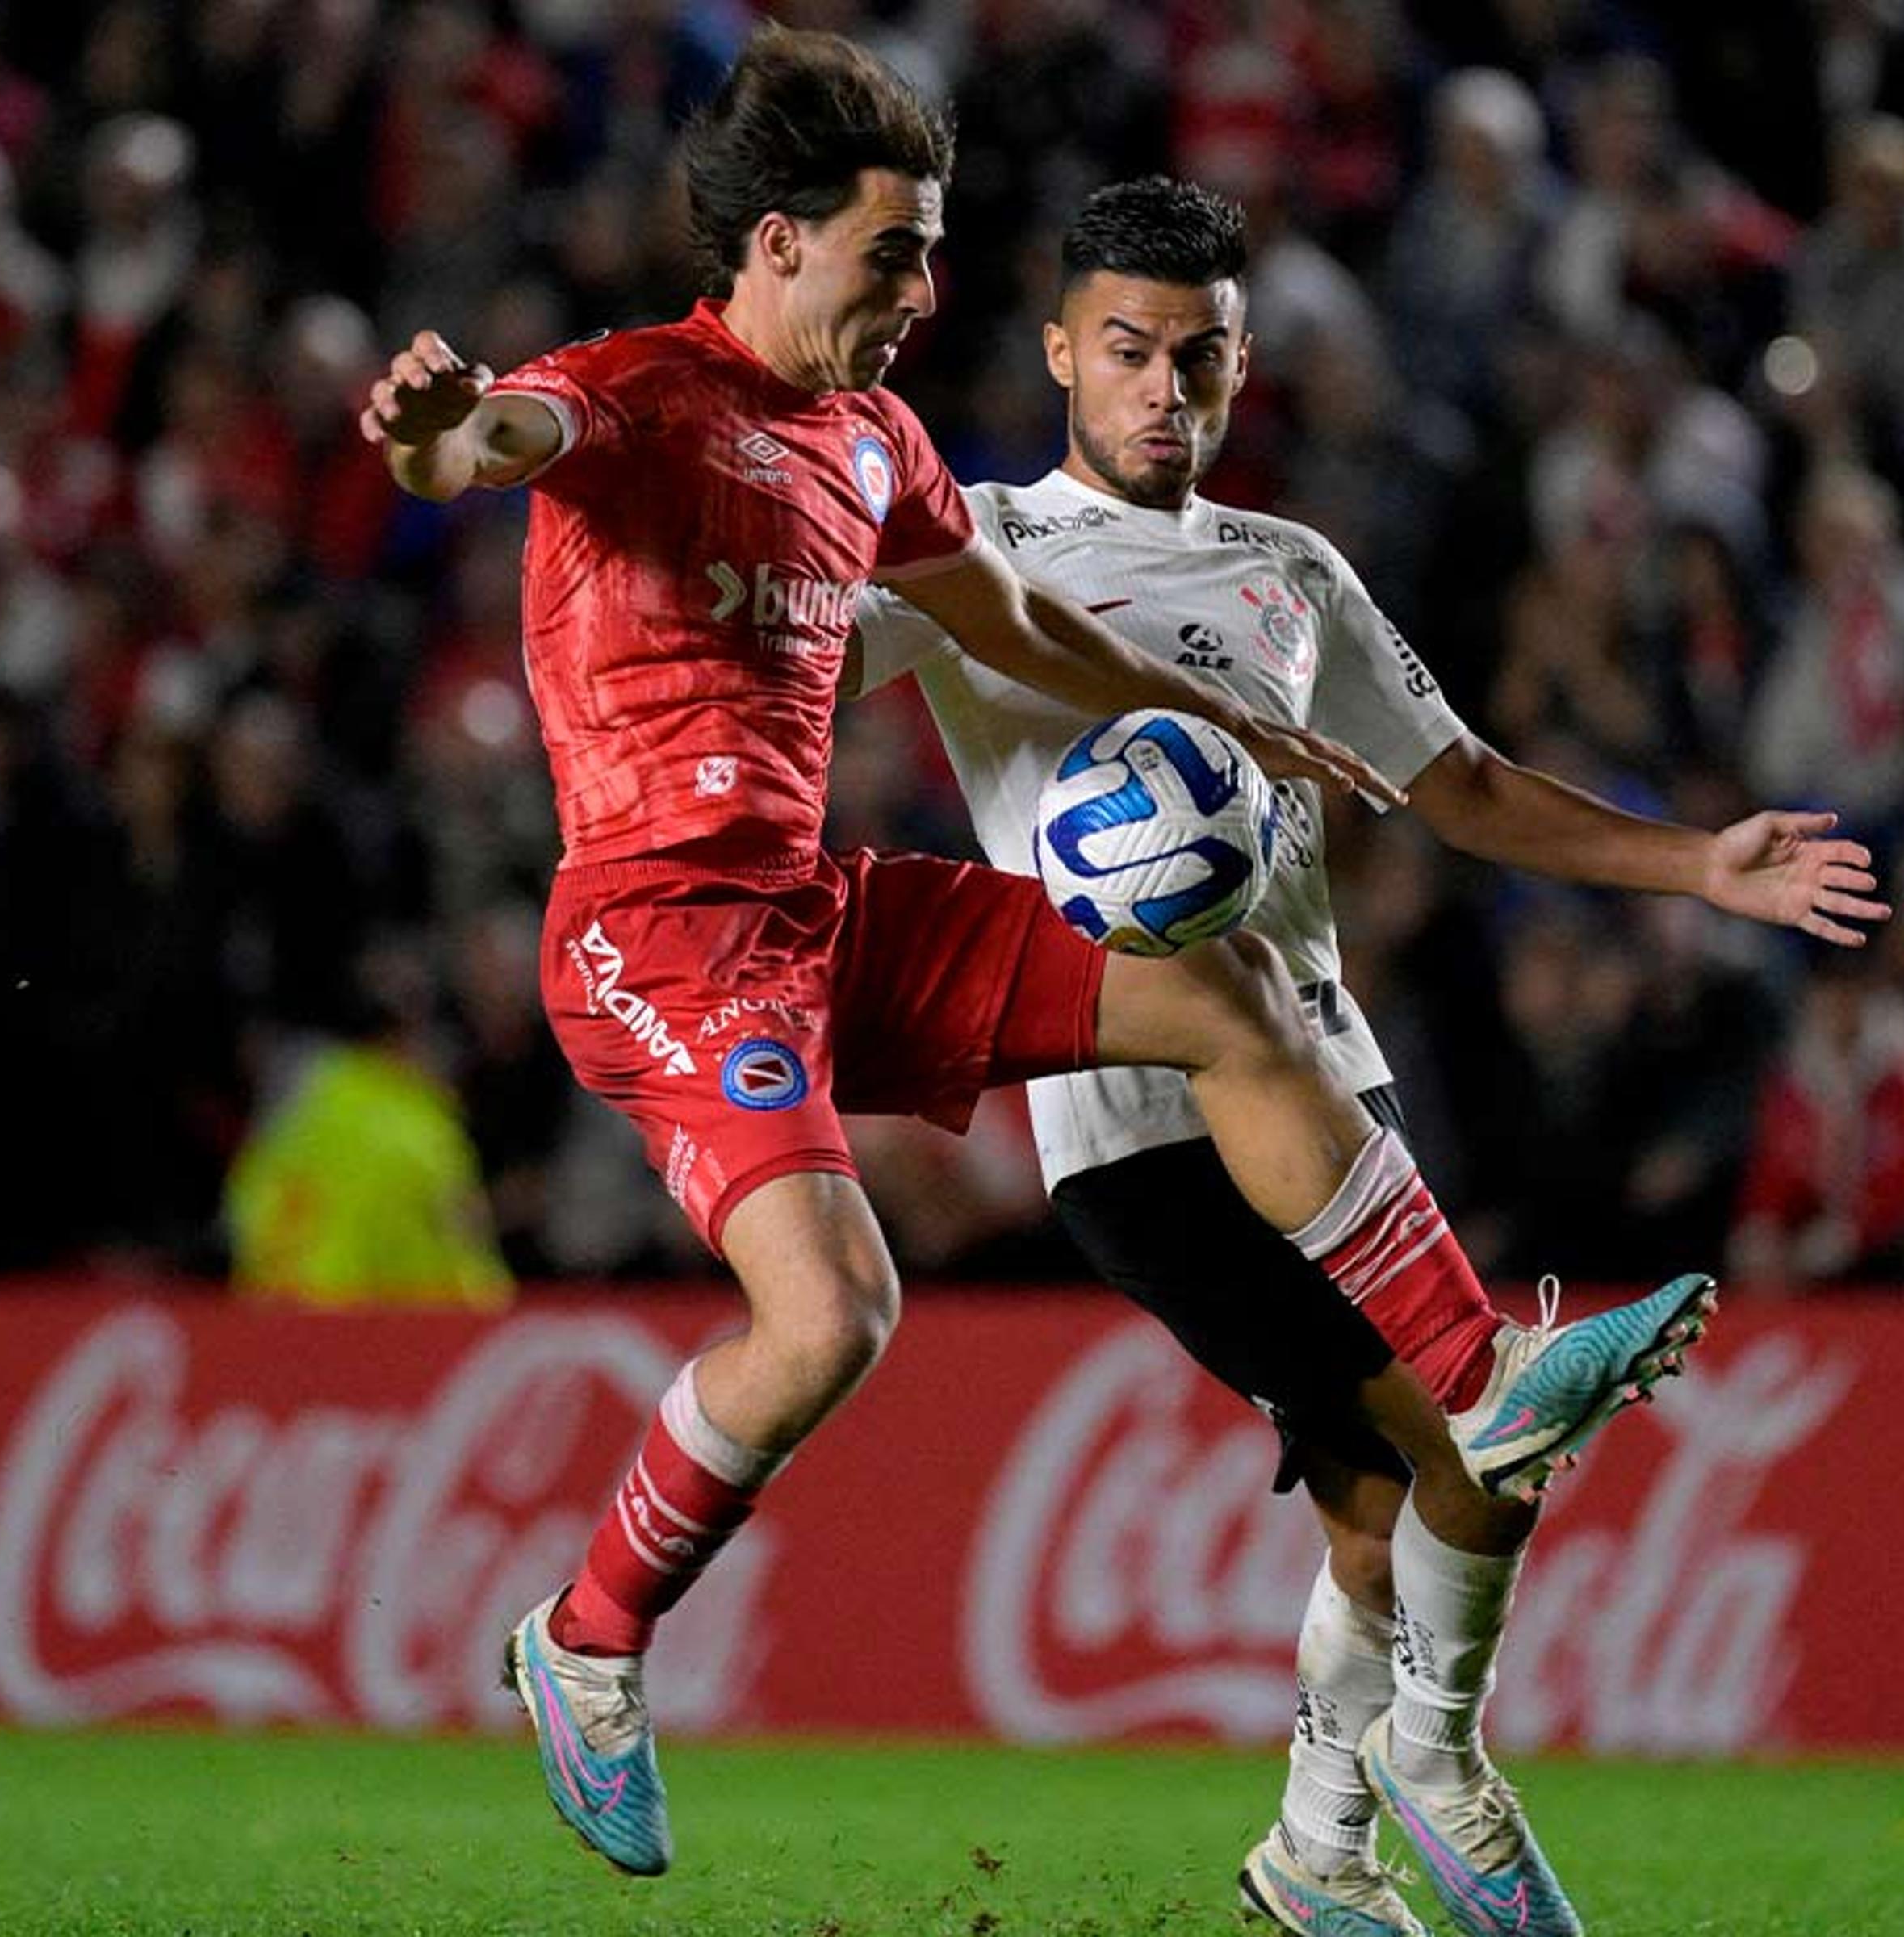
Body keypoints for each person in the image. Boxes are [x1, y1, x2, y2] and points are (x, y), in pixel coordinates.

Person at [360, 29, 1733, 1892]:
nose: (924, 291)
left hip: (816, 910)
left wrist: (1248, 730)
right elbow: (492, 438)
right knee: (832, 1312)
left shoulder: (871, 440)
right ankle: (587, 1635)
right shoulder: (631, 395)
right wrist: (437, 423)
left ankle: (1475, 1365)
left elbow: (1012, 616)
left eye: (930, 252)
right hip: (656, 936)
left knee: (1220, 989)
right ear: (774, 244)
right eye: (891, 251)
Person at [850, 177, 1889, 1937]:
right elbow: (778, 646)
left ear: (1244, 366)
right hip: (1130, 1112)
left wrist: (1696, 862)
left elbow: (1464, 785)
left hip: (1333, 1084)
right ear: (1059, 356)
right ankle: (1435, 1758)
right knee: (1468, 1444)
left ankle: (1319, 1852)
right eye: (1127, 352)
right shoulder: (983, 553)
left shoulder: (1292, 573)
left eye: (1199, 355)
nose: (1164, 388)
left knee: (1370, 1496)